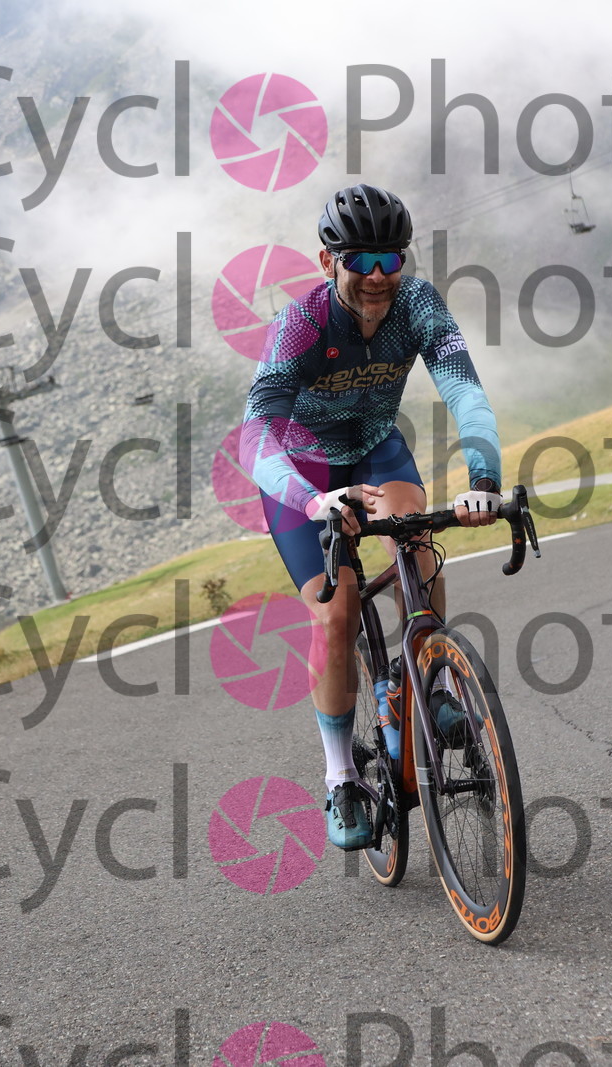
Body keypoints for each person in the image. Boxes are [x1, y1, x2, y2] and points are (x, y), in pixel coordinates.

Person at [241, 184, 503, 851]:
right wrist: (311, 501)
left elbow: (464, 390)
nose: (380, 276)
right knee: (337, 611)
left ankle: (427, 682)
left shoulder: (417, 305)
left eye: (393, 259)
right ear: (328, 261)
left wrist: (484, 479)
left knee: (418, 542)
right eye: (363, 260)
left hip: (375, 449)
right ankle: (340, 778)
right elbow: (256, 435)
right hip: (303, 472)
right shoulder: (300, 324)